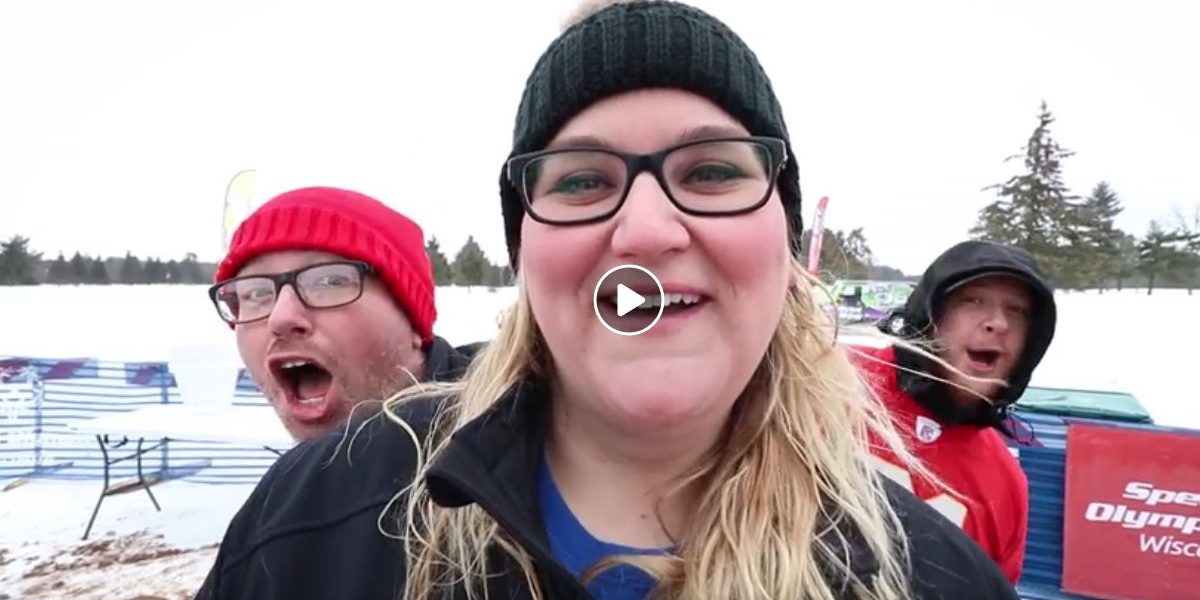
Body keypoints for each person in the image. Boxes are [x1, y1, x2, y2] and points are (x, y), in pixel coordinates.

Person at [196, 2, 1018, 599]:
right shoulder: (319, 516)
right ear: (526, 252)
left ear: (784, 242)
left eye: (713, 172)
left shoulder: (931, 579)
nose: (648, 230)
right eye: (583, 181)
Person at [850, 239, 1058, 583]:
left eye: (1017, 310)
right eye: (973, 301)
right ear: (931, 315)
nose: (998, 323)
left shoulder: (1005, 486)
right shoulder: (830, 378)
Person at [208, 185, 474, 440]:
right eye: (256, 293)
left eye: (330, 282)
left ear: (411, 322)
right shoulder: (300, 473)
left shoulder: (490, 441)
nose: (281, 318)